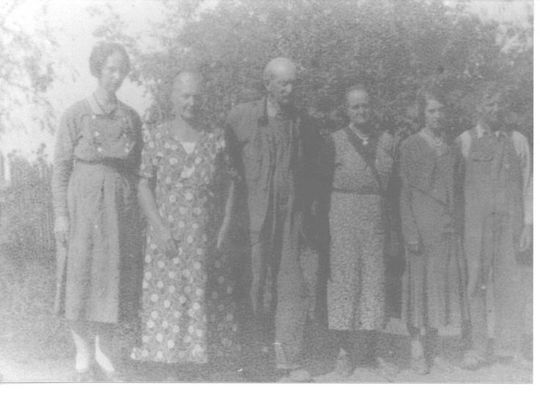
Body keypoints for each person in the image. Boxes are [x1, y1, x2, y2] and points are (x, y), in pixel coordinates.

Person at [131, 72, 239, 379]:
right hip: (168, 231)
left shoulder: (216, 136)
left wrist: (225, 225)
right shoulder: (155, 135)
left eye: (196, 96)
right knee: (169, 295)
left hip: (204, 231)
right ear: (173, 97)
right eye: (185, 96)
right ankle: (171, 367)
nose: (191, 102)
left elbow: (232, 183)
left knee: (203, 292)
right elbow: (143, 186)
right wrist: (159, 228)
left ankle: (199, 363)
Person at [225, 57, 322, 382]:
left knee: (291, 288)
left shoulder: (300, 122)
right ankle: (253, 360)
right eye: (284, 83)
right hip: (253, 218)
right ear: (268, 83)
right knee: (253, 287)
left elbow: (308, 169)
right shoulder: (241, 117)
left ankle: (287, 362)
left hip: (289, 219)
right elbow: (226, 163)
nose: (290, 89)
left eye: (294, 83)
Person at [52, 42, 143, 382]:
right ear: (97, 70)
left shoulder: (130, 117)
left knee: (111, 275)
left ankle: (103, 348)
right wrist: (61, 215)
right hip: (82, 203)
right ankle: (82, 350)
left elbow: (136, 169)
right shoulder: (75, 113)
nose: (116, 77)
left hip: (119, 208)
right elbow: (60, 168)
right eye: (110, 69)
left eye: (121, 70)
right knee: (78, 273)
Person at [455, 83, 532, 370]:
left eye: (499, 104)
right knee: (475, 283)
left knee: (509, 285)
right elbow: (456, 188)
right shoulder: (464, 140)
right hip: (476, 226)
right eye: (489, 105)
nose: (495, 110)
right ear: (479, 109)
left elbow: (528, 186)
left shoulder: (518, 140)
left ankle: (509, 348)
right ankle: (476, 348)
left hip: (509, 226)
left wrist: (528, 224)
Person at [325, 84, 396, 378]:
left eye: (365, 106)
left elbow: (394, 186)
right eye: (355, 107)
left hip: (375, 215)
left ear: (372, 107)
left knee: (373, 281)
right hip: (343, 212)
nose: (361, 111)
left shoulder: (387, 141)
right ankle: (344, 352)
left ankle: (368, 351)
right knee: (345, 280)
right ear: (347, 110)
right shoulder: (335, 140)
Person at [400, 90, 467, 374]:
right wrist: (410, 230)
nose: (437, 116)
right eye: (431, 111)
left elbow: (457, 191)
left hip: (444, 227)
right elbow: (403, 192)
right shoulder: (410, 145)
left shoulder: (451, 148)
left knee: (438, 286)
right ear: (422, 115)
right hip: (420, 226)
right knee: (418, 285)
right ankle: (416, 347)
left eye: (441, 111)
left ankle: (435, 346)